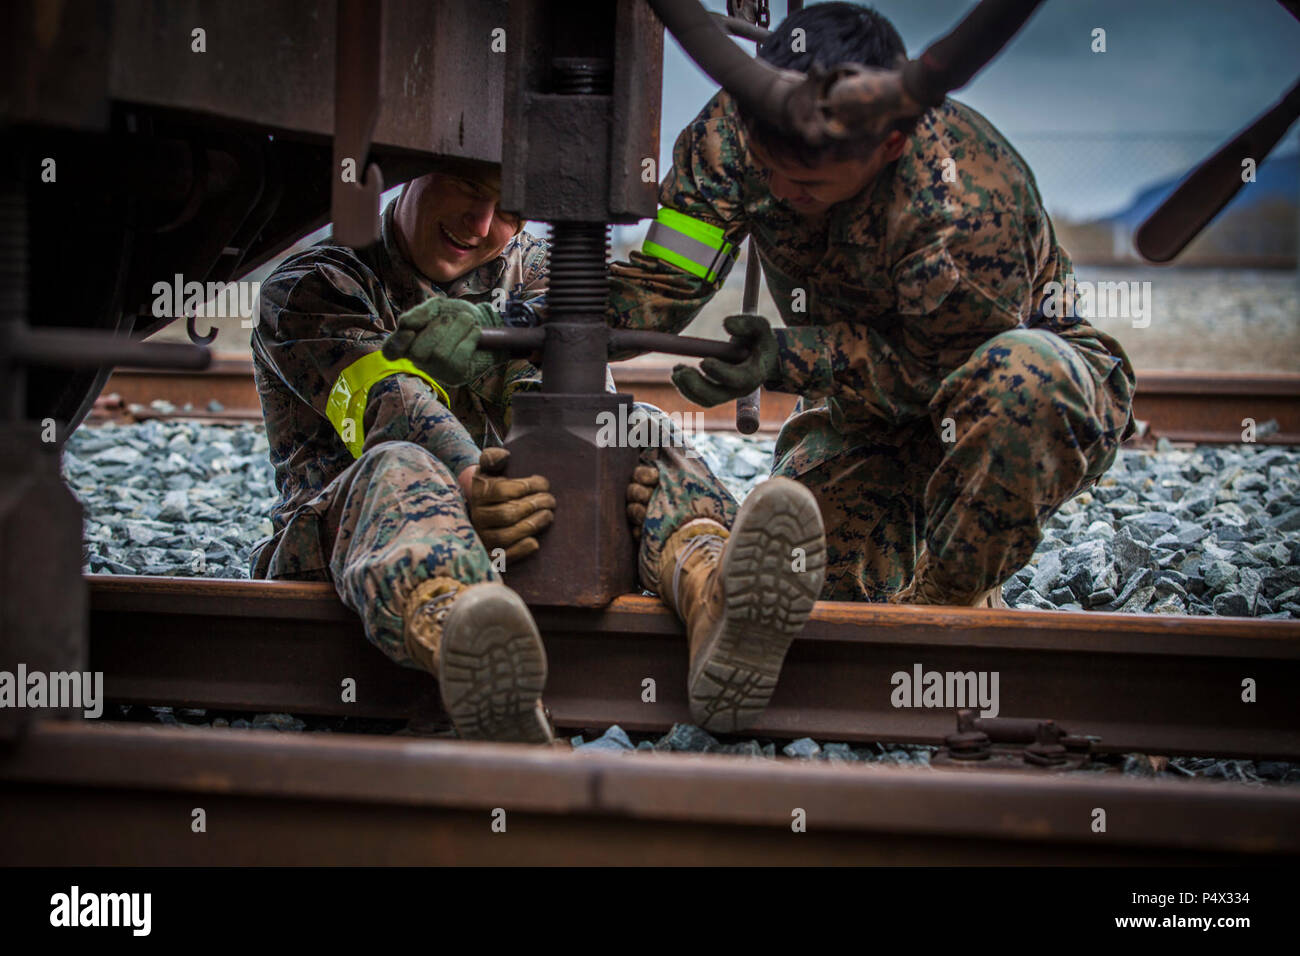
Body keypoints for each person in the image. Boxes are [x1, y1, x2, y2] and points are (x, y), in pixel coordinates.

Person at [251, 159, 827, 744]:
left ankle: (712, 592)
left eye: (508, 211)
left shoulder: (537, 270)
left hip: (527, 534)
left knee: (636, 429)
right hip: (359, 544)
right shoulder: (316, 285)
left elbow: (566, 405)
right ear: (414, 171)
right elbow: (388, 402)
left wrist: (560, 472)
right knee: (398, 464)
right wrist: (472, 480)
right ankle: (463, 648)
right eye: (470, 190)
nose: (479, 225)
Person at [602, 2, 1136, 606]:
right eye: (768, 167)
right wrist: (518, 321)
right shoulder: (730, 134)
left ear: (889, 145)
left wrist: (785, 357)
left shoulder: (964, 200)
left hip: (1003, 395)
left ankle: (950, 605)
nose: (777, 190)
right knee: (796, 588)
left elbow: (937, 376)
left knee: (1027, 376)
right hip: (867, 412)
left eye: (805, 183)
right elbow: (667, 276)